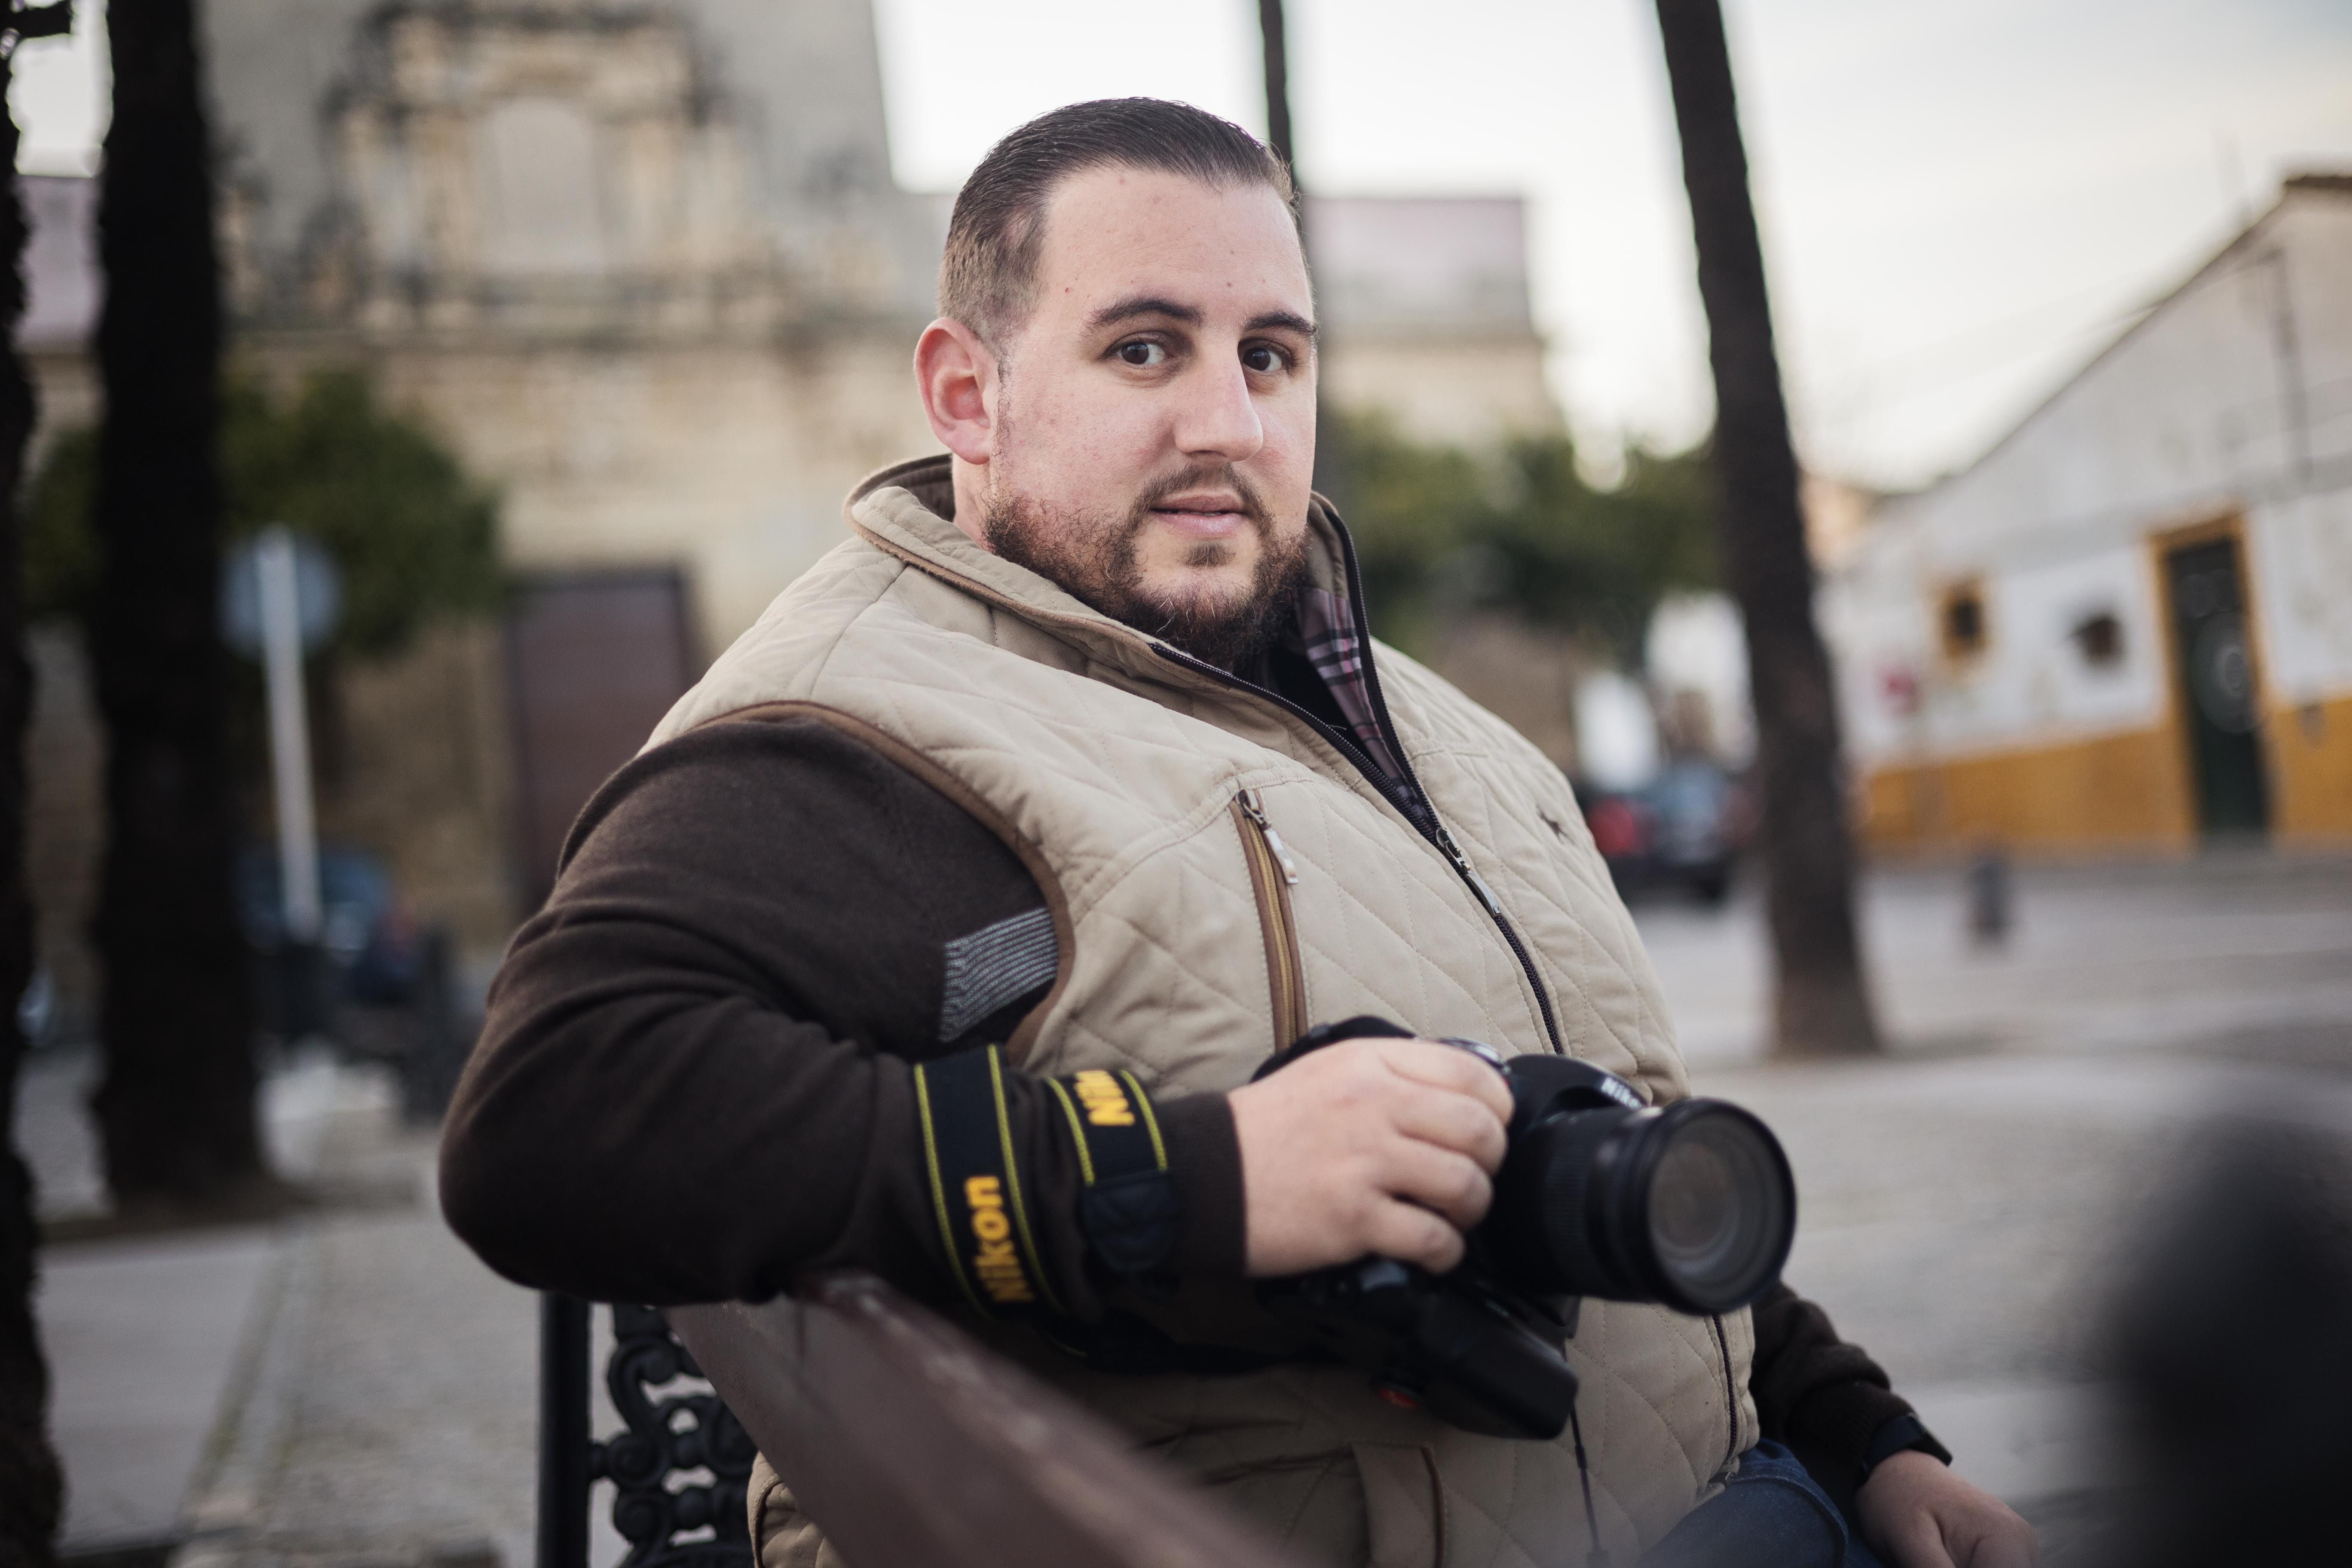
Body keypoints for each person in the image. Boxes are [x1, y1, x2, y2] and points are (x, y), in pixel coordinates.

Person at [441, 99, 2035, 1568]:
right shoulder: (864, 731)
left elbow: (1618, 1119)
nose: (1231, 422)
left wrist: (1861, 1432)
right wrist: (1190, 1179)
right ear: (968, 394)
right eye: (1145, 350)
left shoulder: (1430, 720)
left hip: (1746, 1504)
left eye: (1271, 356)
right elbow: (548, 1112)